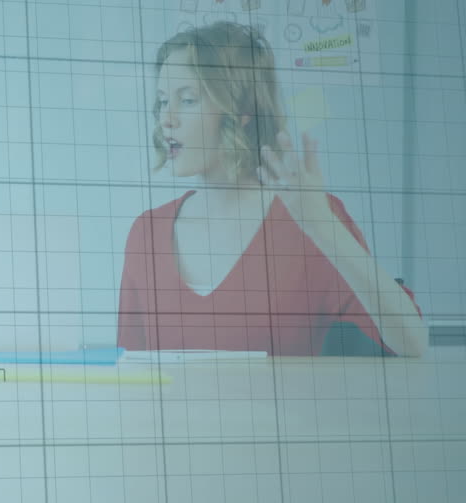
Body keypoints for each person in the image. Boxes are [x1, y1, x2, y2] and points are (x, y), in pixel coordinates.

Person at [117, 22, 428, 356]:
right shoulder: (146, 233)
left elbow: (413, 343)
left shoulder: (311, 216)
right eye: (163, 101)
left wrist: (324, 228)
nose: (167, 118)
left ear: (243, 110)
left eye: (188, 100)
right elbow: (131, 368)